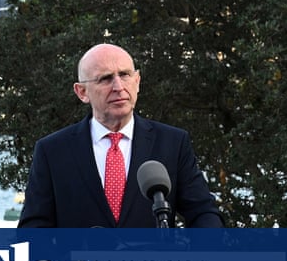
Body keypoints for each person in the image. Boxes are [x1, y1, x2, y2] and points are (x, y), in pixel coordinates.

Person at [19, 43, 223, 228]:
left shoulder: (172, 143)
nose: (118, 87)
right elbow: (33, 230)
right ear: (82, 92)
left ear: (137, 81)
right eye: (105, 79)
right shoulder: (53, 151)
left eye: (124, 75)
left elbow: (203, 213)